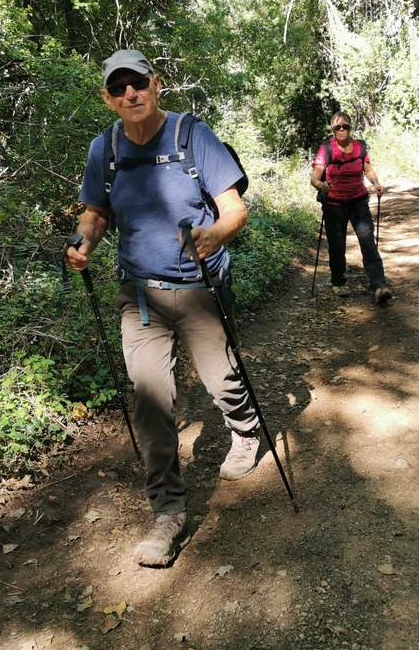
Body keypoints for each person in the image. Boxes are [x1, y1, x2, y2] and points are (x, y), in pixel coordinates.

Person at [66, 49, 259, 567]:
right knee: (151, 400)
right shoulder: (103, 149)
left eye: (138, 83)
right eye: (119, 87)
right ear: (108, 98)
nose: (131, 93)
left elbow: (234, 209)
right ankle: (168, 512)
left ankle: (244, 429)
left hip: (198, 288)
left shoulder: (193, 134)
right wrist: (84, 241)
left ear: (155, 84)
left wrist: (213, 235)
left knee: (222, 380)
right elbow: (95, 213)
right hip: (140, 295)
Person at [310, 112, 392, 304]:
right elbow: (316, 176)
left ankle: (379, 285)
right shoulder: (326, 149)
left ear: (350, 127)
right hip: (333, 204)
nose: (341, 130)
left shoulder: (359, 147)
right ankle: (338, 282)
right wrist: (320, 185)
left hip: (358, 201)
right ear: (332, 129)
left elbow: (368, 169)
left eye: (345, 126)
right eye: (337, 127)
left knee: (367, 242)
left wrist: (376, 183)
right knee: (337, 245)